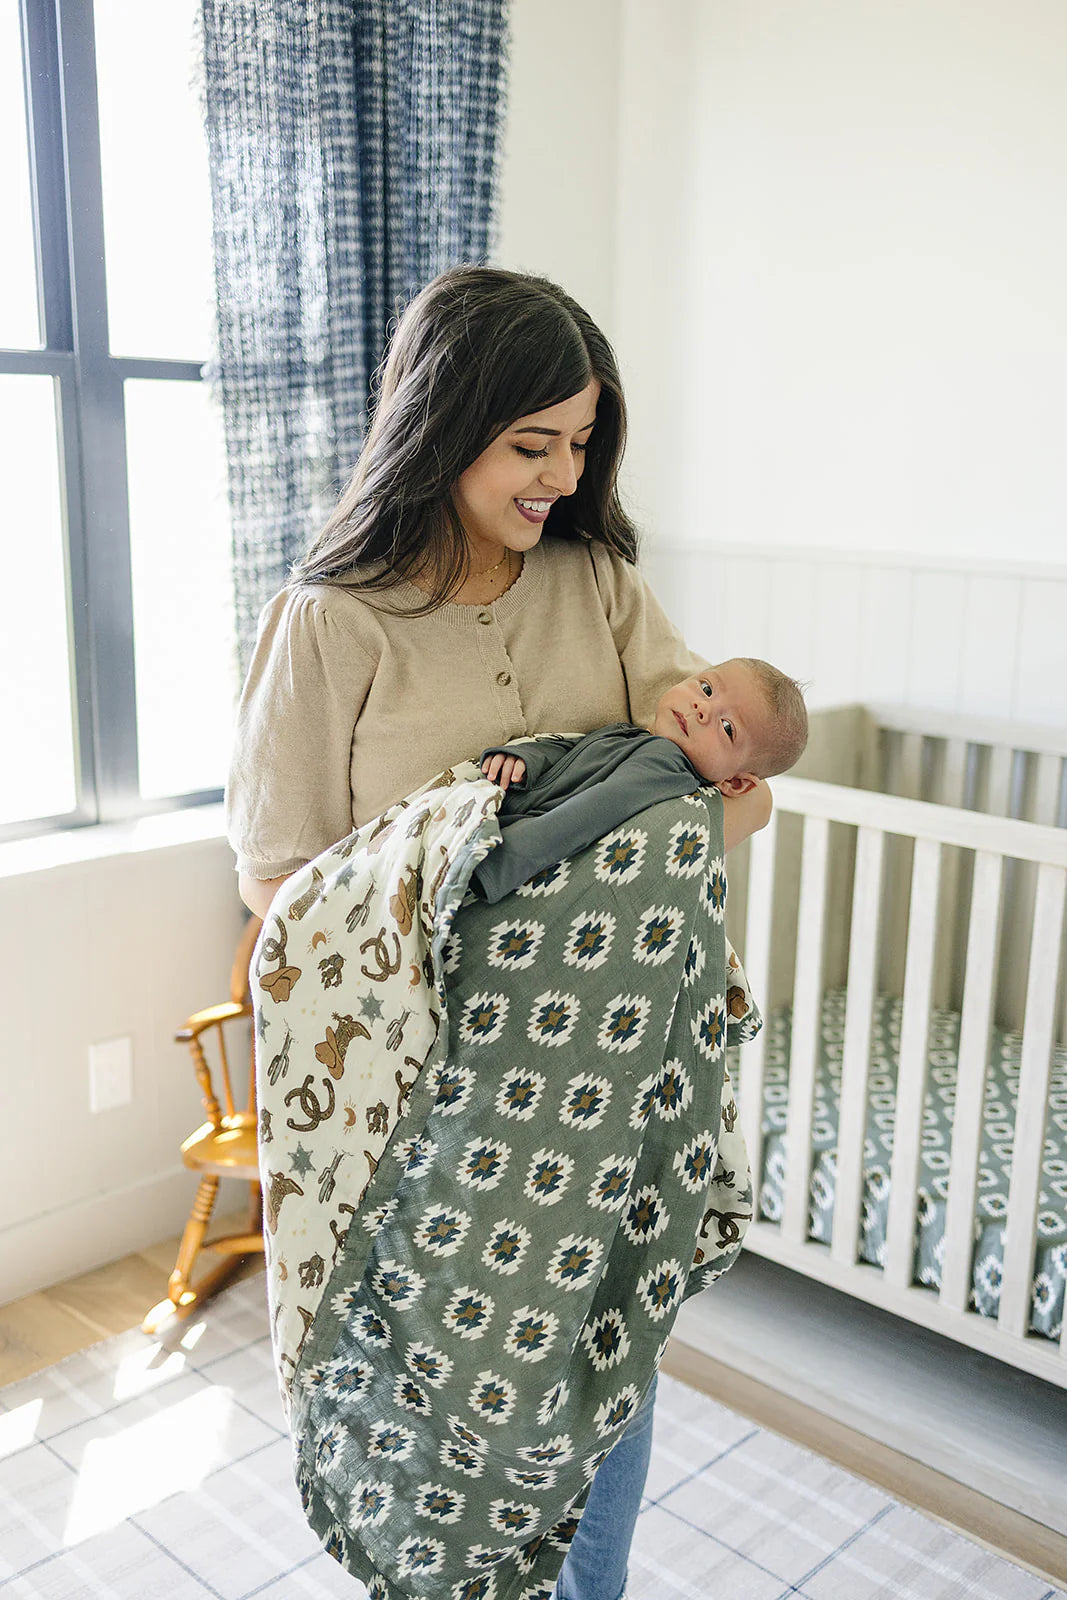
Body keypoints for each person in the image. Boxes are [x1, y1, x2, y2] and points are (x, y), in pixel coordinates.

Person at [226, 264, 773, 1600]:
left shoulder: (597, 583)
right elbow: (283, 883)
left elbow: (728, 787)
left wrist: (663, 816)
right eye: (532, 445)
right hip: (436, 1104)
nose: (560, 477)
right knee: (441, 1408)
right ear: (444, 422)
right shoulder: (332, 623)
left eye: (579, 444)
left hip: (604, 1084)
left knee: (603, 1363)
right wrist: (460, 856)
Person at [473, 657, 807, 901]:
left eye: (727, 727)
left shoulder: (665, 768)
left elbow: (586, 816)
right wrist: (527, 760)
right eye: (706, 688)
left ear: (735, 784)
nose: (702, 708)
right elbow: (573, 750)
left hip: (512, 848)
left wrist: (497, 863)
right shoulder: (638, 737)